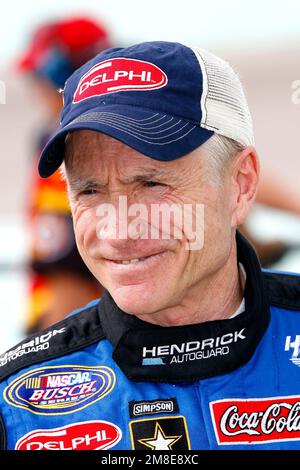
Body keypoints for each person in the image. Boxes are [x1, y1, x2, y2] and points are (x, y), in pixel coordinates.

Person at [1, 41, 300, 451]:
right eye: (89, 190)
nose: (119, 232)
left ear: (241, 184)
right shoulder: (17, 410)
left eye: (151, 184)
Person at [17, 16, 111, 332]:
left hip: (72, 334)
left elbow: (64, 263)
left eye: (37, 74)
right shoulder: (128, 137)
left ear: (59, 73)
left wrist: (55, 356)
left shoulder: (65, 145)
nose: (34, 85)